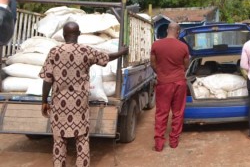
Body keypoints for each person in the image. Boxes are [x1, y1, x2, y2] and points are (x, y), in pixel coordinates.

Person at [39, 22, 128, 166]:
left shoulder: (54, 52)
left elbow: (47, 79)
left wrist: (44, 100)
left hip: (58, 105)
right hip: (79, 105)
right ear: (79, 34)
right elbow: (106, 57)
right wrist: (122, 52)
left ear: (63, 35)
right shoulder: (85, 51)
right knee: (82, 138)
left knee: (59, 141)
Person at [150, 22, 190, 152]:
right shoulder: (183, 47)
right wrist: (177, 73)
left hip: (163, 83)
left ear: (167, 30)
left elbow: (153, 63)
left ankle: (159, 145)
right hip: (179, 82)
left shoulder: (156, 45)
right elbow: (186, 65)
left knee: (161, 113)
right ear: (178, 32)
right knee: (178, 113)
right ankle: (174, 142)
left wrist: (161, 73)